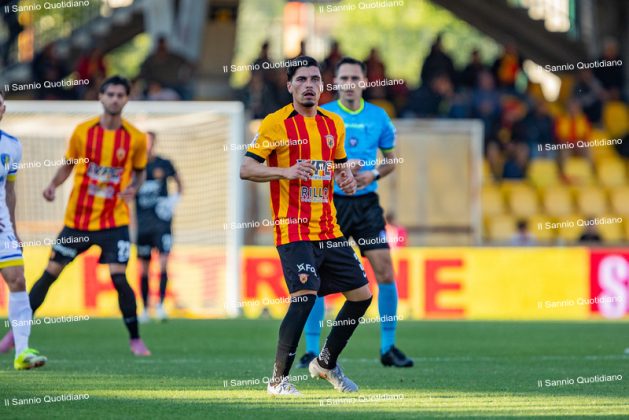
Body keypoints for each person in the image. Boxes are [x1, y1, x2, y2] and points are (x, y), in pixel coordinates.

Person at [240, 56, 373, 396]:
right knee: (305, 298)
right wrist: (284, 171)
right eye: (301, 80)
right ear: (290, 86)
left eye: (315, 79)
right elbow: (247, 168)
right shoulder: (275, 124)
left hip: (329, 229)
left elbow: (339, 167)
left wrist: (347, 177)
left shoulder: (333, 124)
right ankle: (277, 381)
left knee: (361, 296)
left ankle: (325, 363)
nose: (309, 85)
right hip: (293, 229)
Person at [0, 76, 151, 356]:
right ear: (100, 97)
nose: (115, 99)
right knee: (49, 274)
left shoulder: (136, 138)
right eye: (110, 94)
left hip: (114, 220)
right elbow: (68, 165)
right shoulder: (83, 132)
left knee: (119, 278)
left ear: (127, 99)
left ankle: (135, 339)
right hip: (78, 220)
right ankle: (15, 335)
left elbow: (140, 171)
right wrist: (52, 185)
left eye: (120, 95)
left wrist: (134, 187)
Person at [297, 57, 413, 369]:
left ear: (364, 82)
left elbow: (391, 160)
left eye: (355, 78)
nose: (349, 83)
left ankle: (388, 347)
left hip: (365, 205)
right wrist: (339, 171)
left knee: (384, 269)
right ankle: (311, 349)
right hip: (329, 203)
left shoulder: (379, 116)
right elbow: (308, 159)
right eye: (344, 78)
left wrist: (371, 174)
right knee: (317, 275)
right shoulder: (322, 115)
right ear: (336, 83)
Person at [0, 91, 48, 369]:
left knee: (17, 279)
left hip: (2, 227)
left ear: (3, 109)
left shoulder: (12, 146)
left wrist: (14, 230)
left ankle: (22, 352)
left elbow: (9, 190)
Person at [136, 132, 183, 323]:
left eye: (149, 142)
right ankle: (145, 309)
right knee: (143, 268)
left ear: (154, 143)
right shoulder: (134, 165)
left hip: (162, 223)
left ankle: (161, 306)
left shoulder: (164, 163)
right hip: (142, 224)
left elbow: (180, 183)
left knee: (163, 262)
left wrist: (173, 201)